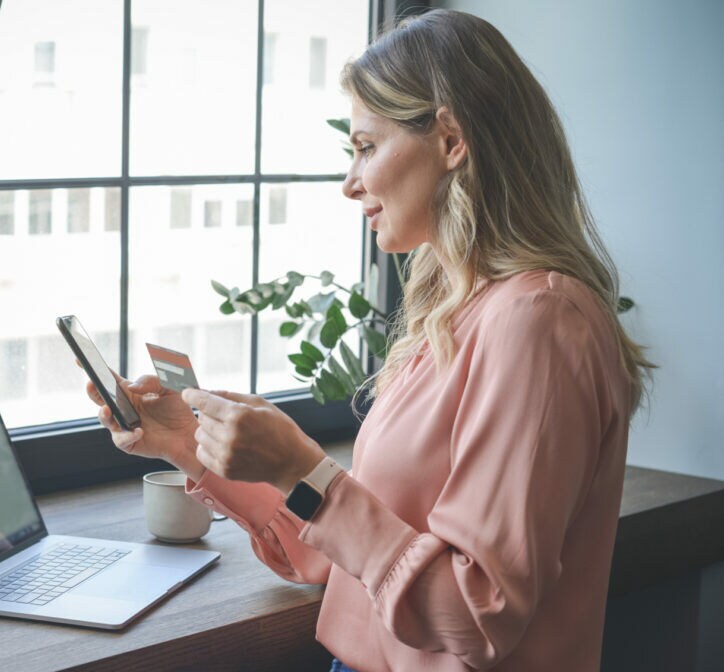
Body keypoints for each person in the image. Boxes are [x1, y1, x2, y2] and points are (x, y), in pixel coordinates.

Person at [82, 9, 654, 672]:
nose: (351, 183)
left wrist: (303, 468)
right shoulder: (457, 315)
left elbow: (475, 614)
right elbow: (344, 557)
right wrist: (187, 443)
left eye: (365, 147)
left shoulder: (539, 324)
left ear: (449, 140)